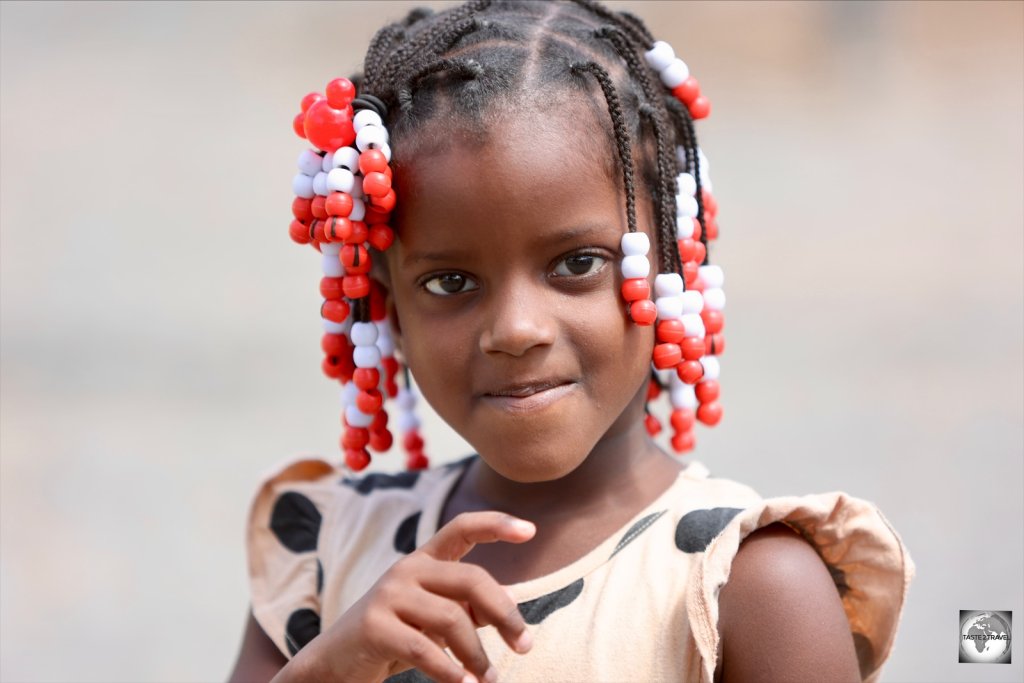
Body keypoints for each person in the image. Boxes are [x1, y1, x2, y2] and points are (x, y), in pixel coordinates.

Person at [229, 2, 914, 681]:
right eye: (449, 281)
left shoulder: (747, 588)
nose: (517, 329)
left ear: (674, 262)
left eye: (577, 263)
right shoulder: (325, 554)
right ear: (387, 304)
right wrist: (331, 666)